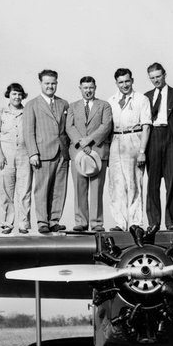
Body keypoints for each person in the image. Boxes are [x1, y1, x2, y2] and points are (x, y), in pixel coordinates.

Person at [23, 69, 71, 234]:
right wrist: (33, 153)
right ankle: (43, 221)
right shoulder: (32, 105)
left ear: (57, 83)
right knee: (42, 188)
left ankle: (54, 220)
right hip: (42, 153)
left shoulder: (64, 103)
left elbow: (67, 128)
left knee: (59, 189)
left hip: (62, 152)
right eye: (47, 83)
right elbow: (28, 131)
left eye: (53, 83)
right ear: (40, 84)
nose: (50, 86)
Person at [67, 76, 113, 232]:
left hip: (98, 152)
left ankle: (96, 223)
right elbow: (70, 127)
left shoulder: (104, 106)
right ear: (80, 88)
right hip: (78, 152)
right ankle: (81, 221)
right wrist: (81, 143)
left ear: (95, 87)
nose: (88, 91)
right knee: (79, 189)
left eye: (91, 87)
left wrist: (89, 141)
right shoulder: (73, 106)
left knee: (96, 189)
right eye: (85, 88)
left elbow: (106, 125)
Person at [106, 68, 150, 231]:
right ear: (116, 83)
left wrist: (142, 151)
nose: (124, 85)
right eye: (121, 82)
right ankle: (120, 222)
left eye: (127, 81)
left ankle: (135, 222)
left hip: (134, 138)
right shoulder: (111, 101)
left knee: (134, 183)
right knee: (116, 184)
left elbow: (146, 127)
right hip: (116, 140)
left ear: (132, 80)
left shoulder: (141, 99)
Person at [144, 62, 173, 229]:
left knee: (171, 181)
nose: (156, 80)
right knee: (152, 182)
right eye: (152, 78)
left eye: (158, 76)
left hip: (170, 138)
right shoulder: (146, 96)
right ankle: (154, 222)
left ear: (164, 75)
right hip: (153, 137)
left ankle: (170, 221)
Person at [0, 83, 31, 234]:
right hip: (6, 154)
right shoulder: (1, 112)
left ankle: (23, 224)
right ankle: (8, 223)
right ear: (9, 95)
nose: (17, 97)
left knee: (24, 190)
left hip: (24, 153)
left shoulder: (27, 111)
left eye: (20, 94)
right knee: (6, 190)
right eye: (14, 94)